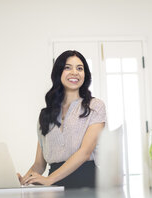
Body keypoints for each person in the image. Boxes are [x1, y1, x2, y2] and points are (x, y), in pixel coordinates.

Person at [17, 50, 106, 189]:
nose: (75, 72)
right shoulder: (45, 115)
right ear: (59, 73)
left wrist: (49, 179)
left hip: (87, 185)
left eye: (80, 68)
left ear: (85, 75)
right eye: (67, 67)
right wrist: (22, 181)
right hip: (55, 188)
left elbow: (85, 152)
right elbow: (39, 165)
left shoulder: (95, 106)